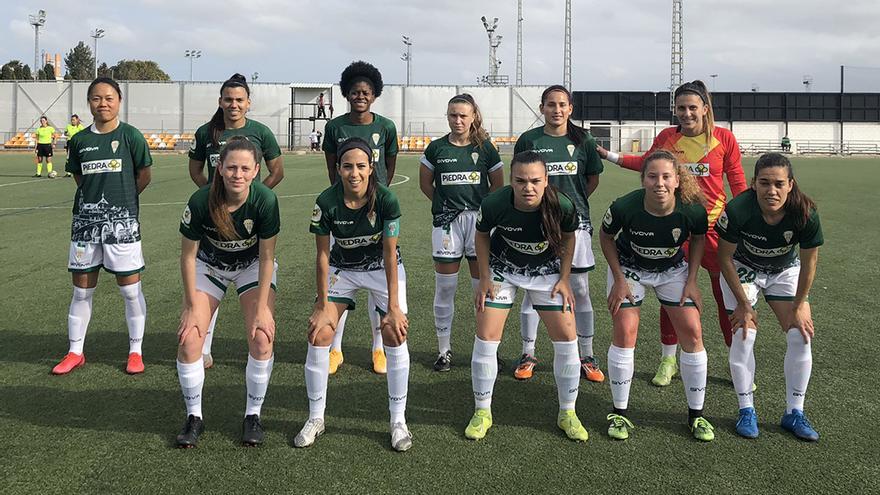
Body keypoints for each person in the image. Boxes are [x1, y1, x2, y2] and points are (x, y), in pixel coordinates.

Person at [598, 80, 747, 387]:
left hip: (715, 230)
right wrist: (609, 155)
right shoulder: (668, 137)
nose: (687, 113)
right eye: (681, 108)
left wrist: (744, 223)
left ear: (705, 109)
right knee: (675, 295)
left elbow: (738, 183)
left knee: (725, 298)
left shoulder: (724, 139)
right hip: (676, 230)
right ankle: (669, 360)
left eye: (693, 107)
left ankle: (737, 362)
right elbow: (646, 163)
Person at [295, 137, 412, 451]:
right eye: (348, 166)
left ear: (371, 168)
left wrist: (394, 307)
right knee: (319, 333)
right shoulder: (326, 202)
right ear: (338, 169)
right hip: (342, 270)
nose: (354, 172)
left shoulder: (387, 200)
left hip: (380, 268)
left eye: (361, 166)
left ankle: (398, 421)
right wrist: (322, 305)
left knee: (394, 331)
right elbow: (322, 256)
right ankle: (315, 417)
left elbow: (389, 255)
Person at [464, 150, 588, 442]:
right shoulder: (495, 203)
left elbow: (570, 238)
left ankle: (567, 412)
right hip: (502, 269)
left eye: (534, 181)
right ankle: (482, 411)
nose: (527, 187)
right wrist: (483, 278)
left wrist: (565, 278)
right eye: (520, 181)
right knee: (486, 336)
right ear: (511, 180)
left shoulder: (563, 205)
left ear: (546, 180)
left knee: (568, 339)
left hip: (546, 271)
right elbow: (481, 236)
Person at [600, 150, 713, 441]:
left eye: (666, 177)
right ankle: (619, 413)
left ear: (677, 180)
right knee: (626, 330)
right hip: (630, 269)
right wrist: (619, 279)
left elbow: (699, 239)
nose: (659, 183)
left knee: (692, 330)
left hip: (673, 270)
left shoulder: (692, 209)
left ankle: (696, 416)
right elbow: (606, 236)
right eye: (652, 177)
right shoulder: (625, 206)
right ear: (643, 180)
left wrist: (692, 281)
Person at [175, 136, 280, 448]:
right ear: (219, 167)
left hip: (251, 266)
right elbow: (188, 257)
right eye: (231, 167)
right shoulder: (200, 201)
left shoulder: (264, 200)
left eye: (245, 168)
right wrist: (193, 305)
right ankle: (194, 416)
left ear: (256, 170)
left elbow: (267, 258)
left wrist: (263, 308)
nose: (238, 174)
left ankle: (253, 415)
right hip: (210, 267)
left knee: (261, 337)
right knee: (190, 338)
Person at [716, 153, 822, 441]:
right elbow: (724, 258)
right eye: (764, 183)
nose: (771, 191)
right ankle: (746, 409)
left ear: (790, 185)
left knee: (801, 334)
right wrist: (743, 304)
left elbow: (809, 263)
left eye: (778, 184)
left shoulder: (805, 213)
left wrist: (799, 305)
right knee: (743, 335)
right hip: (743, 268)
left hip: (783, 270)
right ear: (753, 184)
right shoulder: (737, 209)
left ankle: (794, 412)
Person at [52, 77, 152, 376]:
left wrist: (123, 201)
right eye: (96, 98)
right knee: (81, 292)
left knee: (130, 291)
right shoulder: (80, 140)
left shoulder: (131, 136)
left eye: (109, 97)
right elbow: (79, 178)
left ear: (119, 100)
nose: (103, 103)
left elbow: (144, 176)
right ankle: (75, 351)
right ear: (89, 103)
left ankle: (135, 351)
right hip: (85, 226)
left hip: (122, 225)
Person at [188, 73, 284, 369]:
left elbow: (277, 171)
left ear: (248, 103)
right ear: (220, 101)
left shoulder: (262, 132)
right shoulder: (207, 132)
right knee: (210, 276)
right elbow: (195, 171)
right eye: (228, 99)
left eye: (239, 100)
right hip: (215, 221)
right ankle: (203, 347)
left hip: (248, 221)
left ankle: (255, 353)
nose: (233, 104)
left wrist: (251, 199)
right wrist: (214, 198)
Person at [513, 85, 605, 383]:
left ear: (570, 109)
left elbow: (591, 179)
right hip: (535, 224)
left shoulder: (583, 140)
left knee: (579, 290)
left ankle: (587, 354)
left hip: (574, 223)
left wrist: (568, 206)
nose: (556, 109)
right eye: (550, 104)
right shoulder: (530, 139)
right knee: (532, 291)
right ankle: (528, 353)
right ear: (542, 108)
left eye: (562, 104)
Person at [322, 61, 399, 375]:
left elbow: (390, 163)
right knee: (338, 279)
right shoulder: (335, 127)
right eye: (354, 92)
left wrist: (378, 194)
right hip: (342, 211)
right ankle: (335, 348)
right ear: (347, 94)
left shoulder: (386, 126)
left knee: (376, 277)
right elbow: (331, 165)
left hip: (375, 212)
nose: (360, 97)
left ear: (374, 94)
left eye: (365, 92)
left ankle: (378, 348)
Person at [419, 93, 504, 372]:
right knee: (445, 287)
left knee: (481, 287)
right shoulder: (436, 149)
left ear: (473, 117)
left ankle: (486, 349)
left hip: (478, 225)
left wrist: (482, 215)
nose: (457, 120)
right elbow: (426, 185)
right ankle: (444, 350)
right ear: (447, 116)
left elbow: (498, 188)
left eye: (463, 116)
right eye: (453, 115)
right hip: (447, 224)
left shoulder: (486, 148)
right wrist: (446, 206)